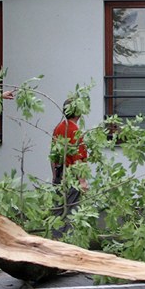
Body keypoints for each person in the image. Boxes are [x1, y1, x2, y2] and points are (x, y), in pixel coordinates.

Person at [49, 98, 89, 236]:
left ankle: (55, 240)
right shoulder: (75, 131)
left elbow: (53, 156)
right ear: (78, 112)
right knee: (71, 211)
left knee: (58, 210)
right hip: (72, 176)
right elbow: (78, 159)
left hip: (60, 173)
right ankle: (66, 242)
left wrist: (55, 175)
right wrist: (82, 181)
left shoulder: (58, 128)